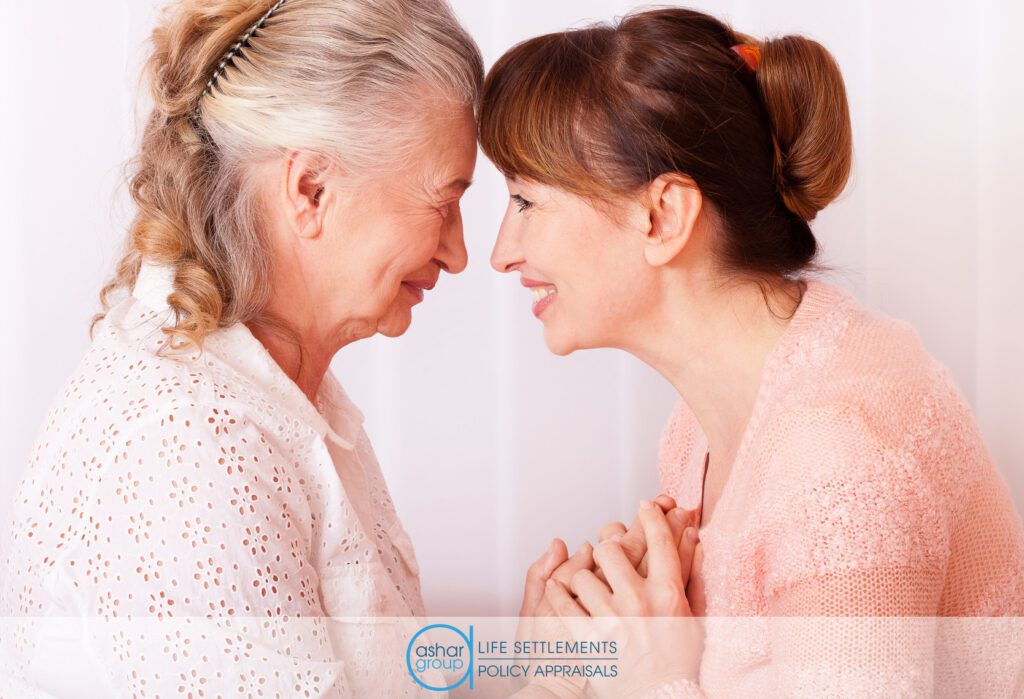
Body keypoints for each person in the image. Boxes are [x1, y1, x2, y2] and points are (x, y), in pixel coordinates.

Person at [480, 7, 1024, 697]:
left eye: (526, 201)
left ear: (663, 216)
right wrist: (568, 671)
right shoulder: (698, 431)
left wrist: (648, 679)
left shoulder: (839, 454)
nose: (502, 252)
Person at [0, 0, 482, 695]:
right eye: (445, 201)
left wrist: (536, 658)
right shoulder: (188, 444)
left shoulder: (281, 403)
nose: (460, 252)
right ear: (311, 189)